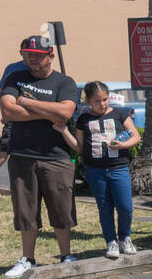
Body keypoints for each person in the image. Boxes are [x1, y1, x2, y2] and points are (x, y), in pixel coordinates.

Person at [1, 36, 79, 276]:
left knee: (62, 210)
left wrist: (24, 101)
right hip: (23, 155)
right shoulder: (15, 78)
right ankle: (28, 259)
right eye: (27, 54)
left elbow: (65, 111)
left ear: (50, 56)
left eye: (37, 54)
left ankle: (66, 255)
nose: (32, 58)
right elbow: (7, 111)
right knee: (26, 211)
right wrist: (48, 112)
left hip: (56, 156)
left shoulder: (64, 82)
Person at [56, 82, 141, 259]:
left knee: (125, 206)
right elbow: (78, 147)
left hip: (119, 168)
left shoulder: (119, 114)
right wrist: (64, 131)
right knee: (105, 208)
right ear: (87, 101)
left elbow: (136, 136)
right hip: (95, 171)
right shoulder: (84, 120)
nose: (102, 104)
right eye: (97, 101)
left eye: (105, 99)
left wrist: (123, 145)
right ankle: (111, 241)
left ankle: (125, 237)